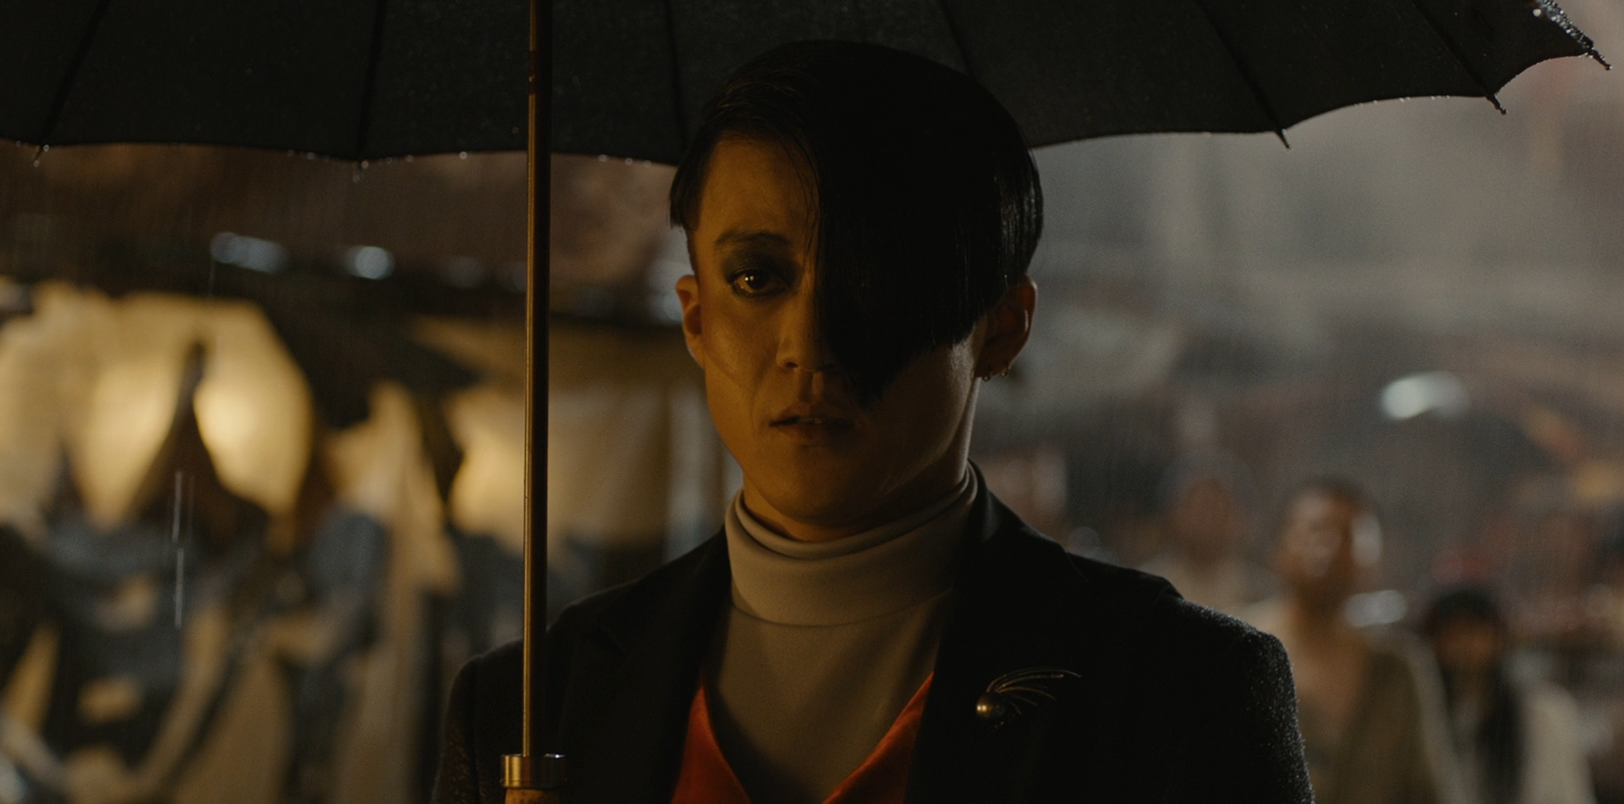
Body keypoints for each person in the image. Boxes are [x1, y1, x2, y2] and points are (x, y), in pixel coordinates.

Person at [432, 41, 1309, 803]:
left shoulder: (1176, 694)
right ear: (696, 318)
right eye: (756, 279)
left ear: (1003, 327)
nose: (809, 346)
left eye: (878, 275)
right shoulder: (531, 708)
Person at [1246, 477, 1457, 804]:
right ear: (1278, 548)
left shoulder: (1396, 670)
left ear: (1374, 560)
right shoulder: (1233, 647)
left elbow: (1428, 790)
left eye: (1348, 536)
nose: (1328, 547)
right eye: (1314, 530)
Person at [1422, 587, 1593, 804]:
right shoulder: (1425, 714)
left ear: (1499, 639)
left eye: (1472, 632)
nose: (1463, 647)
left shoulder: (1542, 713)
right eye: (1451, 635)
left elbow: (1567, 795)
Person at [1142, 457, 1274, 617]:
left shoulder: (1258, 591)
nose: (1208, 518)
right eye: (1199, 506)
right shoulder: (1150, 587)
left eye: (1217, 507)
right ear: (1175, 514)